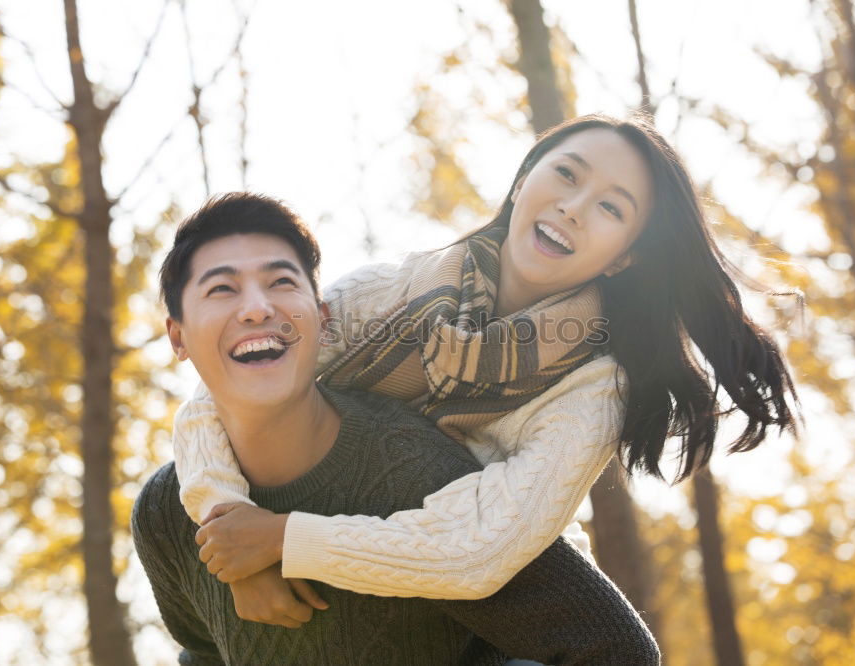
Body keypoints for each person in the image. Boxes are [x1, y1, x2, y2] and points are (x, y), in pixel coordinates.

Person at [178, 115, 797, 613]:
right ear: (523, 180)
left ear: (622, 259)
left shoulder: (590, 387)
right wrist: (229, 535)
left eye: (612, 209)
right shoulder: (384, 296)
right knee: (161, 501)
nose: (574, 208)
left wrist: (283, 541)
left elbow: (479, 549)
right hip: (335, 565)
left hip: (493, 616)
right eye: (565, 174)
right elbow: (220, 394)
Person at [131, 193, 661, 664]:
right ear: (177, 337)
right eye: (222, 289)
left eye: (280, 282)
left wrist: (286, 540)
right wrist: (231, 529)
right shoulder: (165, 512)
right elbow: (202, 651)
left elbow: (616, 650)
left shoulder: (419, 478)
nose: (256, 308)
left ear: (323, 318)